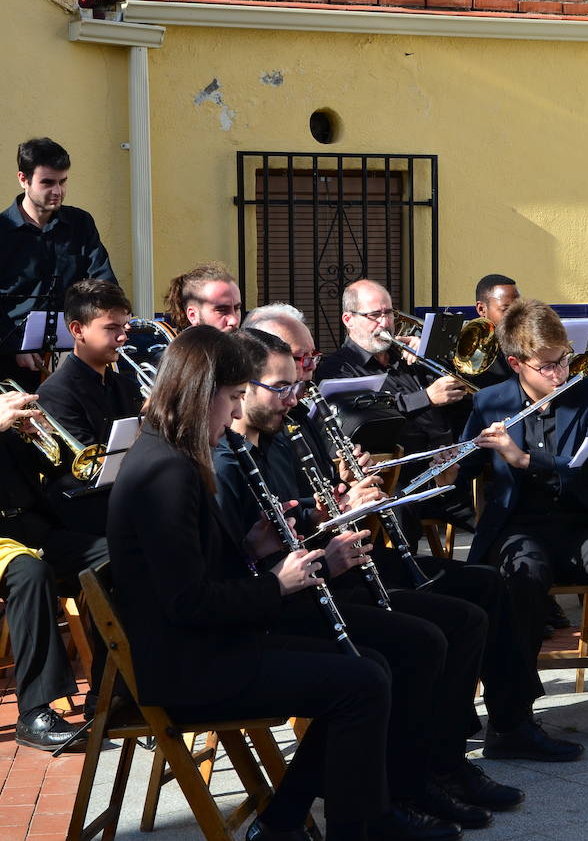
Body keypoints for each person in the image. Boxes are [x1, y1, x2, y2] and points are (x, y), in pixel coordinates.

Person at [244, 303, 555, 783]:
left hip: (342, 559)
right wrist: (332, 509)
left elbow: (319, 500)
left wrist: (347, 484)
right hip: (313, 581)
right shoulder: (254, 436)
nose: (305, 376)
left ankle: (503, 726)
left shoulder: (296, 416)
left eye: (307, 361)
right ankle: (429, 758)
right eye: (295, 365)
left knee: (486, 587)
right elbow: (270, 533)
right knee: (437, 630)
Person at [105, 325, 391, 840]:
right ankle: (348, 830)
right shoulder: (165, 473)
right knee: (362, 684)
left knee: (367, 667)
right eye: (233, 397)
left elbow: (189, 571)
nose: (237, 412)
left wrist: (250, 551)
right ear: (200, 393)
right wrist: (277, 584)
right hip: (190, 669)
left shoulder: (167, 454)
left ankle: (283, 823)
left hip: (205, 650)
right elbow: (187, 602)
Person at [212, 328, 502, 834]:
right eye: (280, 386)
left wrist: (339, 510)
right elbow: (248, 560)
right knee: (400, 654)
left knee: (458, 620)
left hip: (317, 586)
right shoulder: (225, 461)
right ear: (242, 388)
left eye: (297, 377)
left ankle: (427, 772)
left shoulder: (278, 439)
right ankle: (391, 793)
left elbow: (293, 525)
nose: (294, 394)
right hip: (275, 612)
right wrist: (328, 538)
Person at [457, 299, 588, 748]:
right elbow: (463, 474)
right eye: (550, 366)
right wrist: (448, 464)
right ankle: (512, 716)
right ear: (517, 363)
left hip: (579, 525)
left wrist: (526, 459)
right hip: (517, 530)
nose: (561, 373)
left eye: (565, 360)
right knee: (524, 574)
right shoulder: (489, 401)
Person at [0, 389, 104, 750]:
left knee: (118, 556)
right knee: (30, 574)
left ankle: (111, 692)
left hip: (34, 527)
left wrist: (39, 435)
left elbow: (56, 470)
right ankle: (33, 714)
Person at [2, 138, 115, 389]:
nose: (58, 191)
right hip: (10, 362)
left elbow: (102, 280)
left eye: (63, 181)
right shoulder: (2, 232)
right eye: (47, 182)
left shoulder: (80, 223)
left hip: (72, 354)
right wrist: (15, 347)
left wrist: (112, 317)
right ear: (23, 179)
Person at [36, 279, 143, 535]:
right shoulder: (54, 393)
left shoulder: (125, 386)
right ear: (77, 330)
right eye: (111, 328)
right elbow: (89, 470)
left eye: (124, 327)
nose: (122, 337)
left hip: (125, 501)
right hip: (85, 514)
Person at [316, 279, 468, 454]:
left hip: (449, 459)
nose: (385, 323)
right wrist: (426, 397)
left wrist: (431, 355)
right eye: (374, 315)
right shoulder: (337, 368)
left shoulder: (406, 355)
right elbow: (368, 413)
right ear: (349, 319)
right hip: (399, 472)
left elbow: (456, 393)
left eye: (388, 313)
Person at [163, 262, 242, 332]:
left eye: (237, 308)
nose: (234, 321)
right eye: (221, 310)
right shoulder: (180, 348)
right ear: (193, 315)